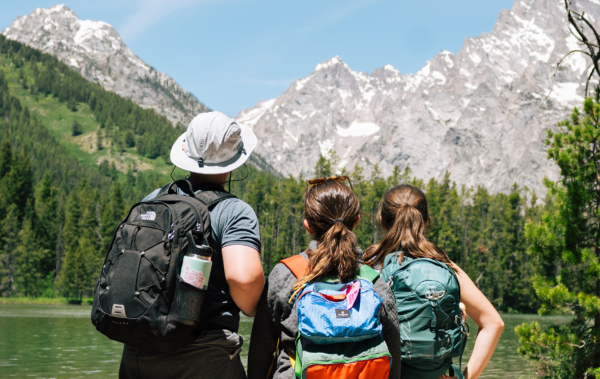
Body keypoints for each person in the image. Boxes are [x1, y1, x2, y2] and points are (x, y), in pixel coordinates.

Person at [119, 111, 265, 379]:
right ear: (233, 163)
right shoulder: (234, 211)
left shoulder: (152, 200)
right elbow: (244, 279)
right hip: (204, 356)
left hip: (139, 350)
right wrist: (256, 307)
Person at [247, 177, 402, 379]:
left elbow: (261, 351)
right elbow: (393, 356)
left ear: (307, 225)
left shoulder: (286, 274)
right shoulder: (373, 281)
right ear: (356, 221)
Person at [363, 184, 505, 379]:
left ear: (382, 221)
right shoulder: (444, 268)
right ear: (426, 221)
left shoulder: (367, 268)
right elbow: (494, 323)